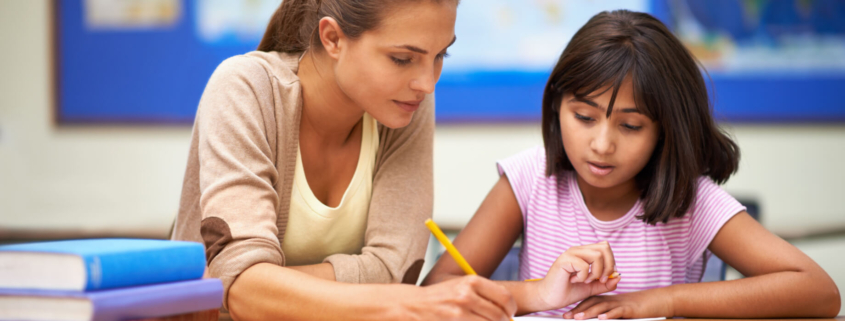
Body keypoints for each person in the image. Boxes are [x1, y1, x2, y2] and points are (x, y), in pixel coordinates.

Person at [422, 9, 841, 319]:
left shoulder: (690, 201)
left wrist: (660, 300)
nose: (602, 145)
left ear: (666, 129)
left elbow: (819, 292)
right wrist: (535, 296)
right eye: (584, 118)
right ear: (555, 107)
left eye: (632, 125)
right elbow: (438, 290)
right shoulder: (531, 177)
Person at [171, 0, 517, 320]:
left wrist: (247, 284)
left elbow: (396, 271)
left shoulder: (405, 104)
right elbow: (244, 292)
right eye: (402, 58)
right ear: (333, 38)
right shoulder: (246, 87)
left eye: (442, 55)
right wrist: (408, 300)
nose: (427, 82)